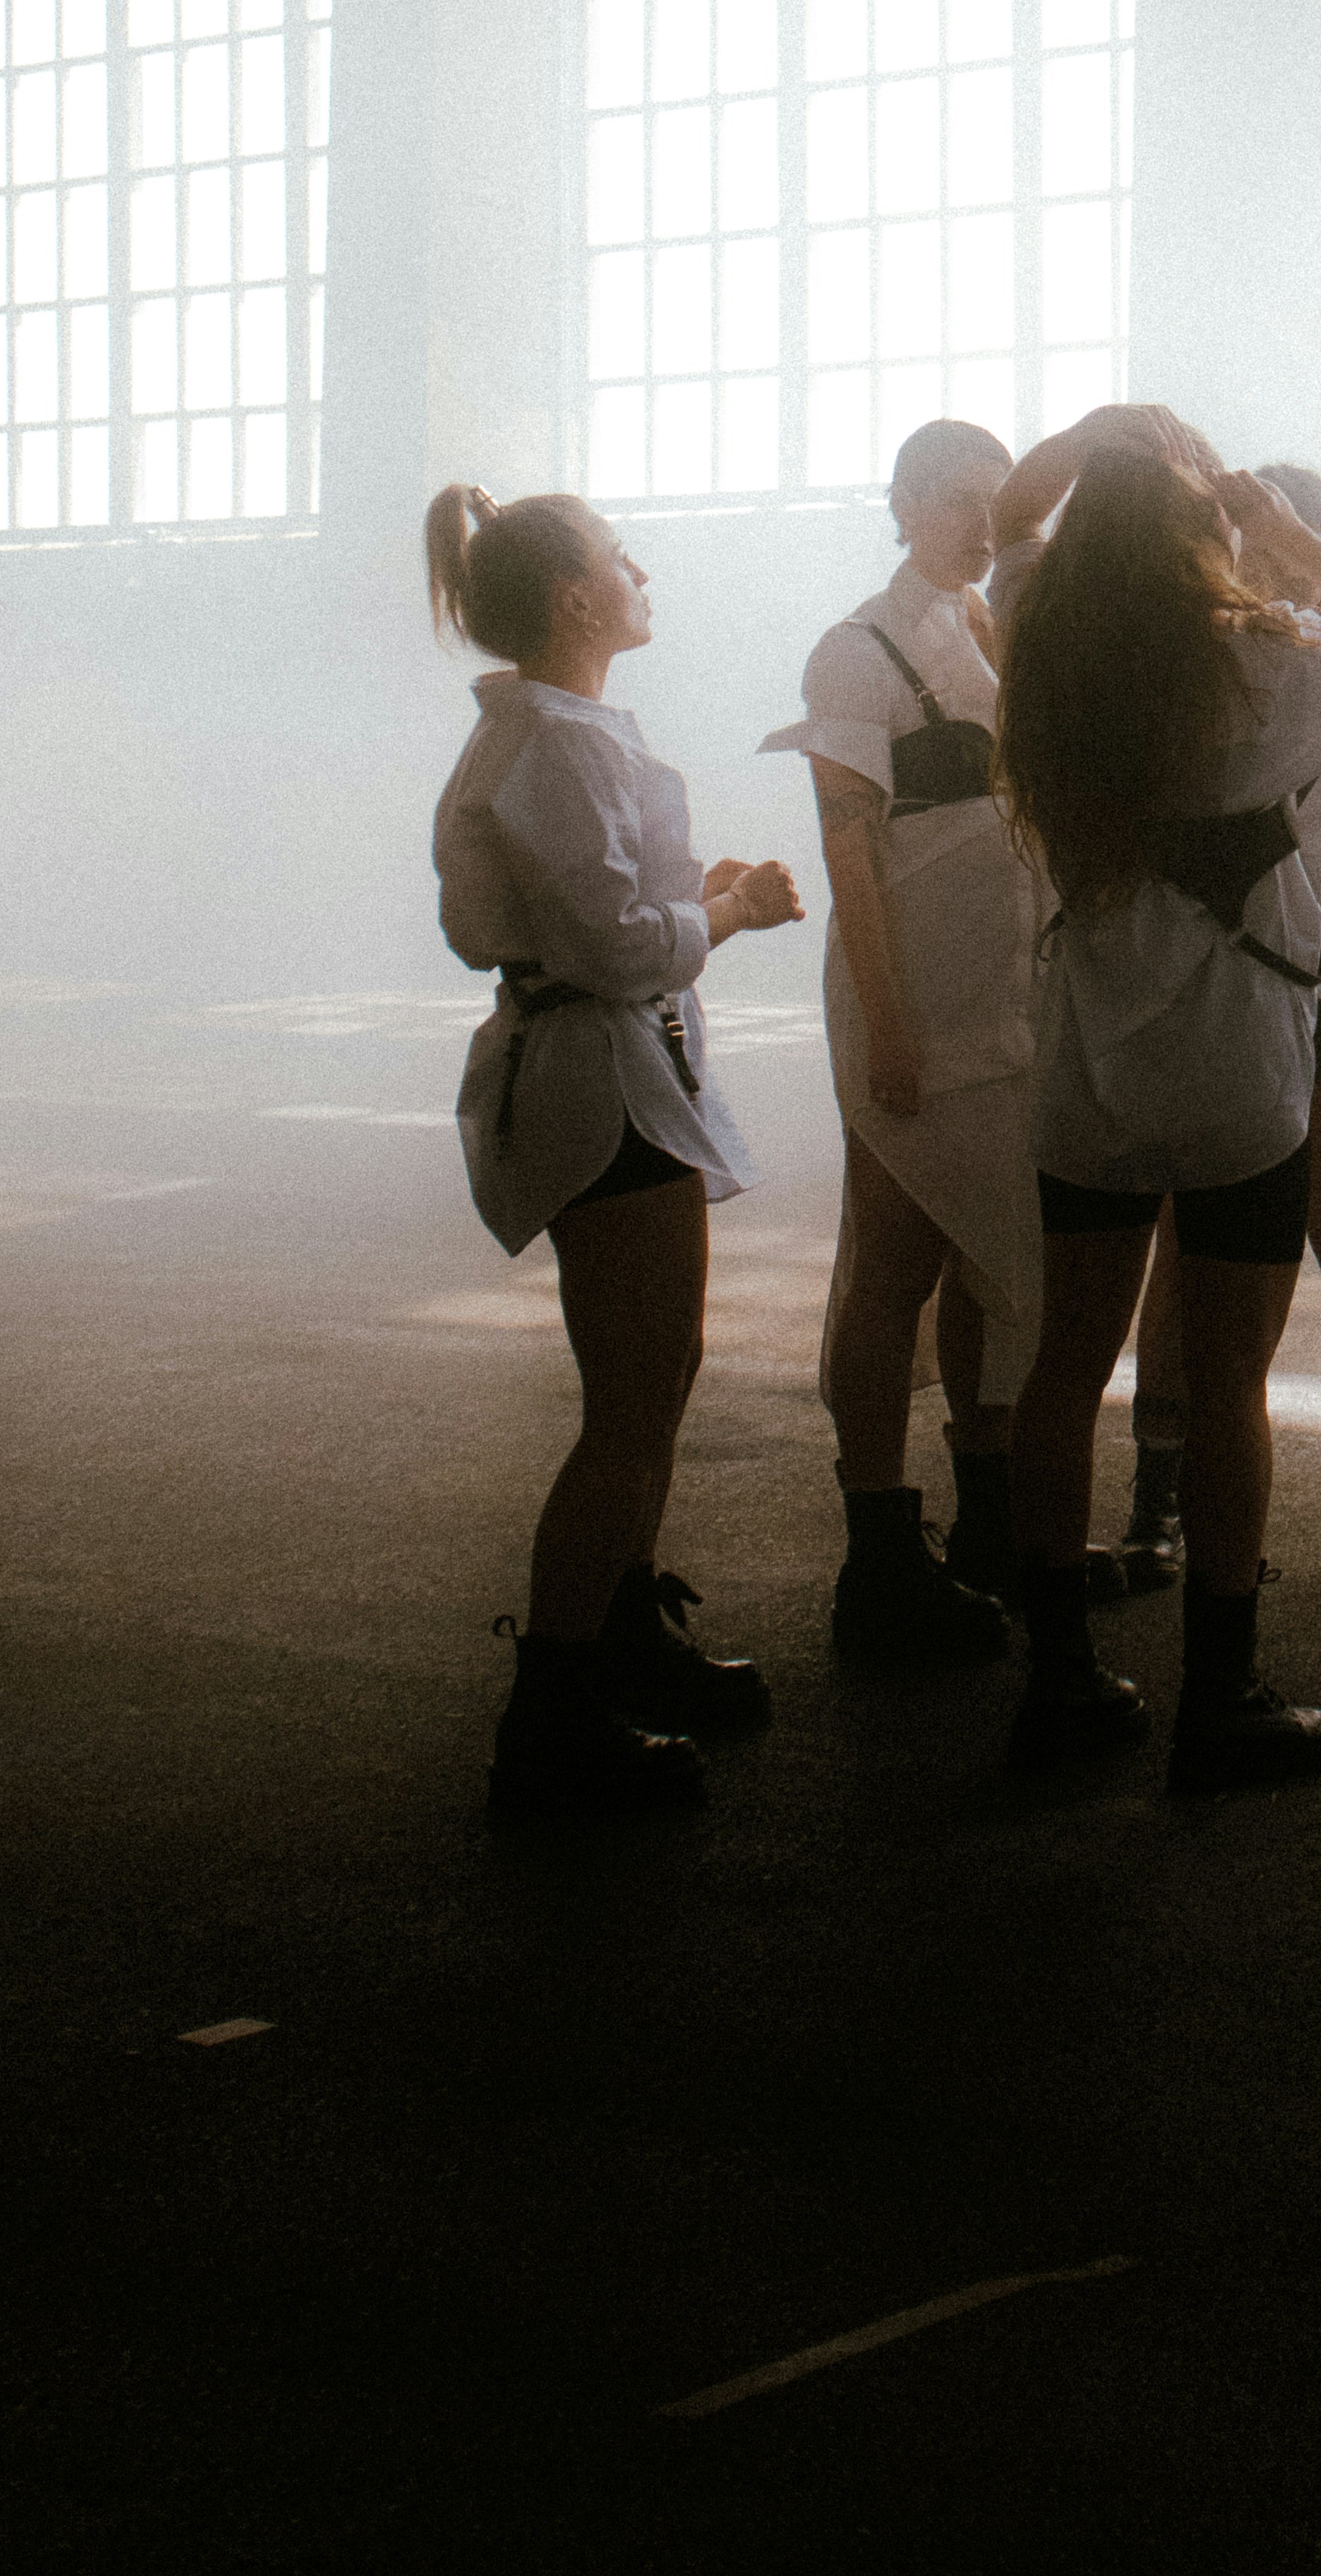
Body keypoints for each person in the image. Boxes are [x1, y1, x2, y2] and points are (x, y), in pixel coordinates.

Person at [988, 413, 1321, 1789]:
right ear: (1212, 535)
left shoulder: (1048, 649)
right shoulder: (1274, 656)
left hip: (1089, 1055)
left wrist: (1093, 433)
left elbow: (1014, 524)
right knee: (1235, 1379)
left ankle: (1059, 1676)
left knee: (1068, 1365)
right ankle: (1221, 1686)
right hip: (1244, 1061)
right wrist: (1295, 538)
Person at [428, 486, 805, 1818]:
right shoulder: (560, 746)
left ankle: (624, 1635)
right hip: (604, 1083)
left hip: (611, 1070)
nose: (640, 573)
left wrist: (691, 911)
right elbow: (605, 947)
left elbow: (574, 925)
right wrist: (734, 913)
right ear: (576, 601)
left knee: (657, 1381)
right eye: (616, 560)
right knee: (632, 1409)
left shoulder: (550, 732)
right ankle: (553, 1709)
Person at [1116, 460, 1321, 1595]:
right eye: (1241, 537)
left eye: (1281, 540)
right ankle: (1157, 1493)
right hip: (1219, 943)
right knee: (1181, 1240)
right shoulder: (1205, 653)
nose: (1259, 557)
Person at [763, 420, 1034, 1674]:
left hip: (1016, 992)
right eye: (958, 500)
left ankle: (989, 1521)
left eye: (999, 499)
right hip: (913, 995)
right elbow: (849, 846)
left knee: (997, 1257)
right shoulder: (856, 648)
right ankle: (878, 1553)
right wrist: (887, 1021)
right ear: (906, 505)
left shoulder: (1010, 633)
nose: (982, 523)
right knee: (894, 1260)